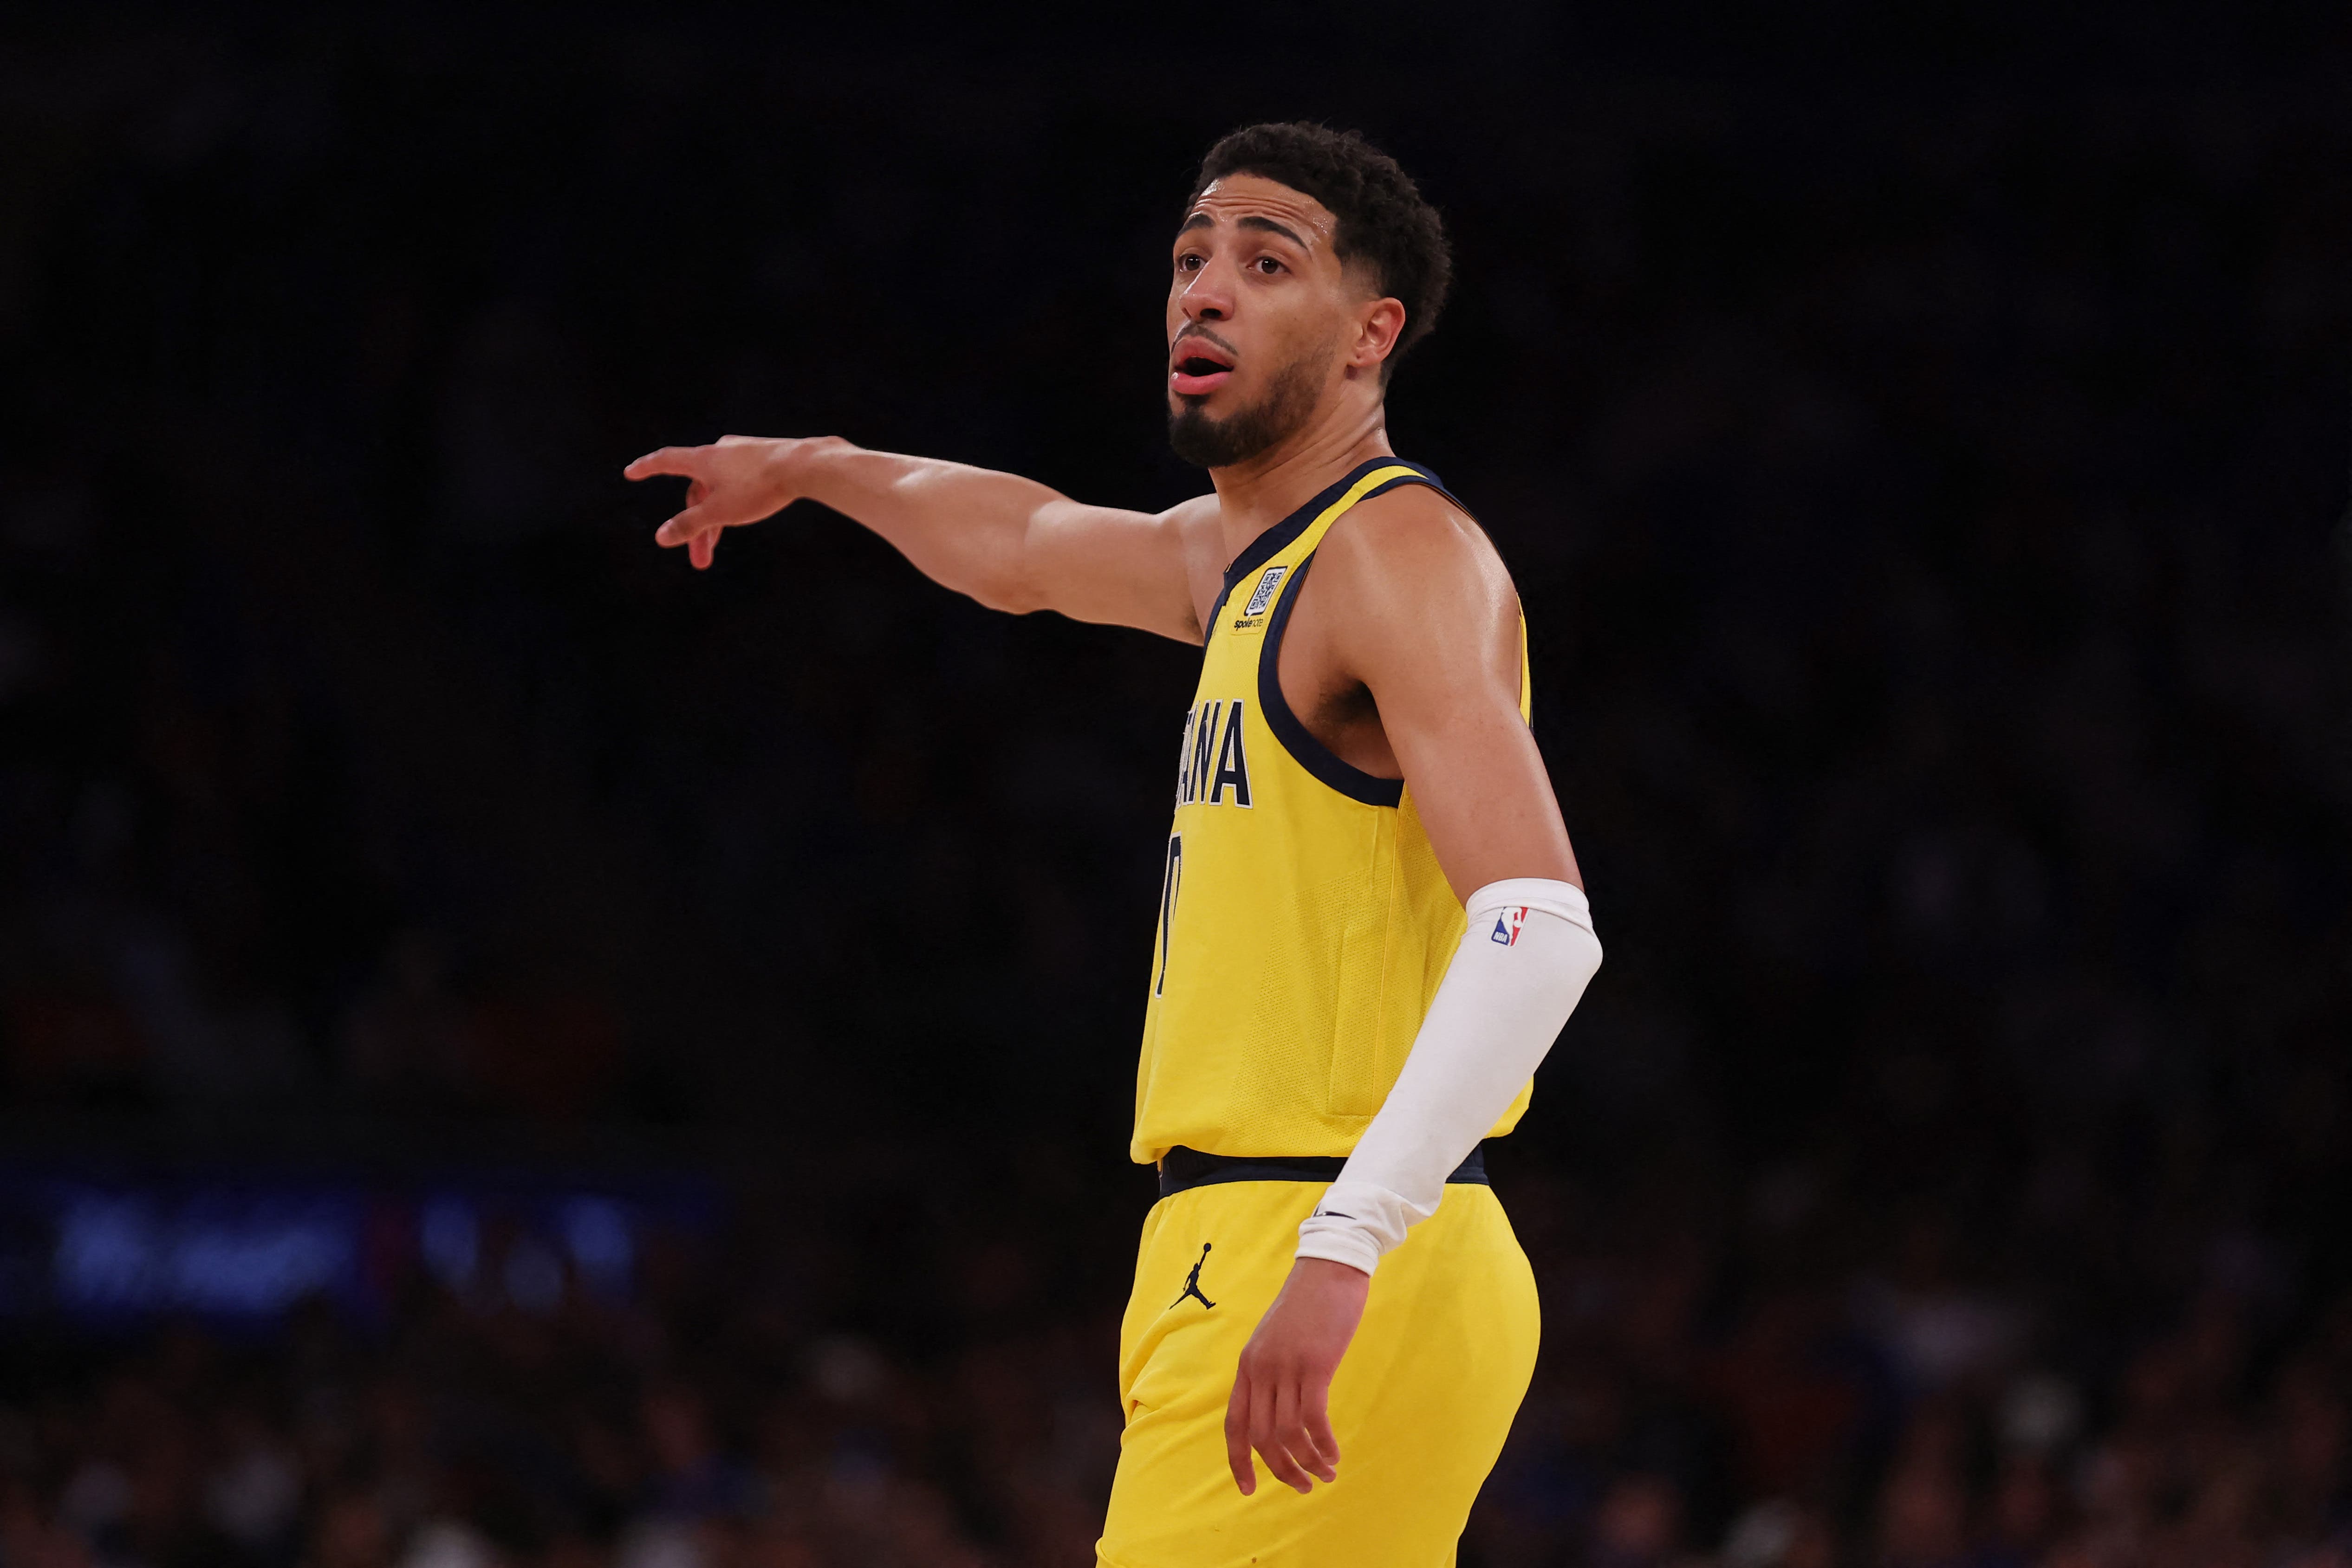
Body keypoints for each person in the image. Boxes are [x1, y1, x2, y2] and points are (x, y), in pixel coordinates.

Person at [626, 122, 1604, 1568]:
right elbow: (1019, 542)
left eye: (1265, 263)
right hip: (1258, 1239)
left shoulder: (1393, 556)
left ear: (1368, 335)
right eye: (1189, 257)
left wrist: (1344, 1246)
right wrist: (817, 466)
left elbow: (1539, 927)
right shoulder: (1244, 564)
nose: (1202, 290)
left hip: (1333, 1229)